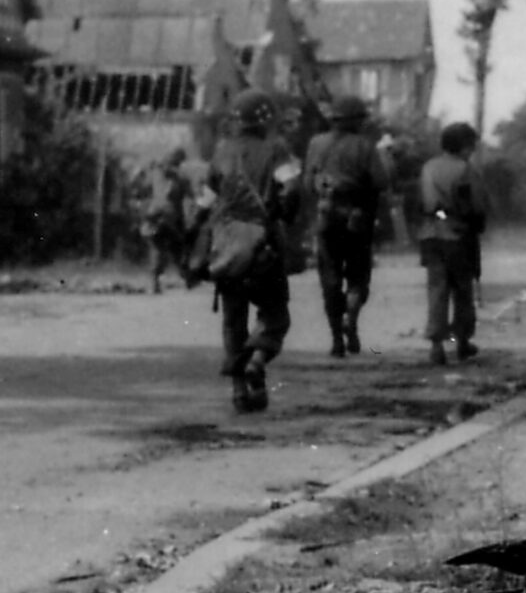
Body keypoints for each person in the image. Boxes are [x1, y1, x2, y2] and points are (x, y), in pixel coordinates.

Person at [206, 89, 298, 412]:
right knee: (275, 315)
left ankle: (239, 392)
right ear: (266, 119)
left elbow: (206, 198)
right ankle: (257, 360)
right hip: (263, 244)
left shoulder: (221, 152)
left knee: (233, 319)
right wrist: (284, 212)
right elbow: (292, 187)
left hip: (226, 244)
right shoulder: (277, 150)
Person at [306, 95, 391, 357]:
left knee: (329, 278)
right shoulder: (366, 147)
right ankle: (350, 318)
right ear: (357, 121)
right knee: (358, 275)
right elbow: (381, 181)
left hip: (325, 216)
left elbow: (307, 183)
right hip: (357, 218)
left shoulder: (316, 144)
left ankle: (336, 340)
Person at [417, 121, 486, 366]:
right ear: (464, 146)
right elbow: (475, 206)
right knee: (462, 291)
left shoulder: (428, 167)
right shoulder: (466, 170)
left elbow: (421, 202)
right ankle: (462, 342)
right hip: (458, 235)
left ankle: (436, 345)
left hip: (429, 235)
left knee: (437, 289)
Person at [134, 146, 195, 294]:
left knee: (158, 248)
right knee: (177, 248)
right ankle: (187, 277)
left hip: (154, 214)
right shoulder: (181, 177)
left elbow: (142, 187)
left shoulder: (156, 172)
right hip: (170, 217)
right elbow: (190, 197)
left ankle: (156, 281)